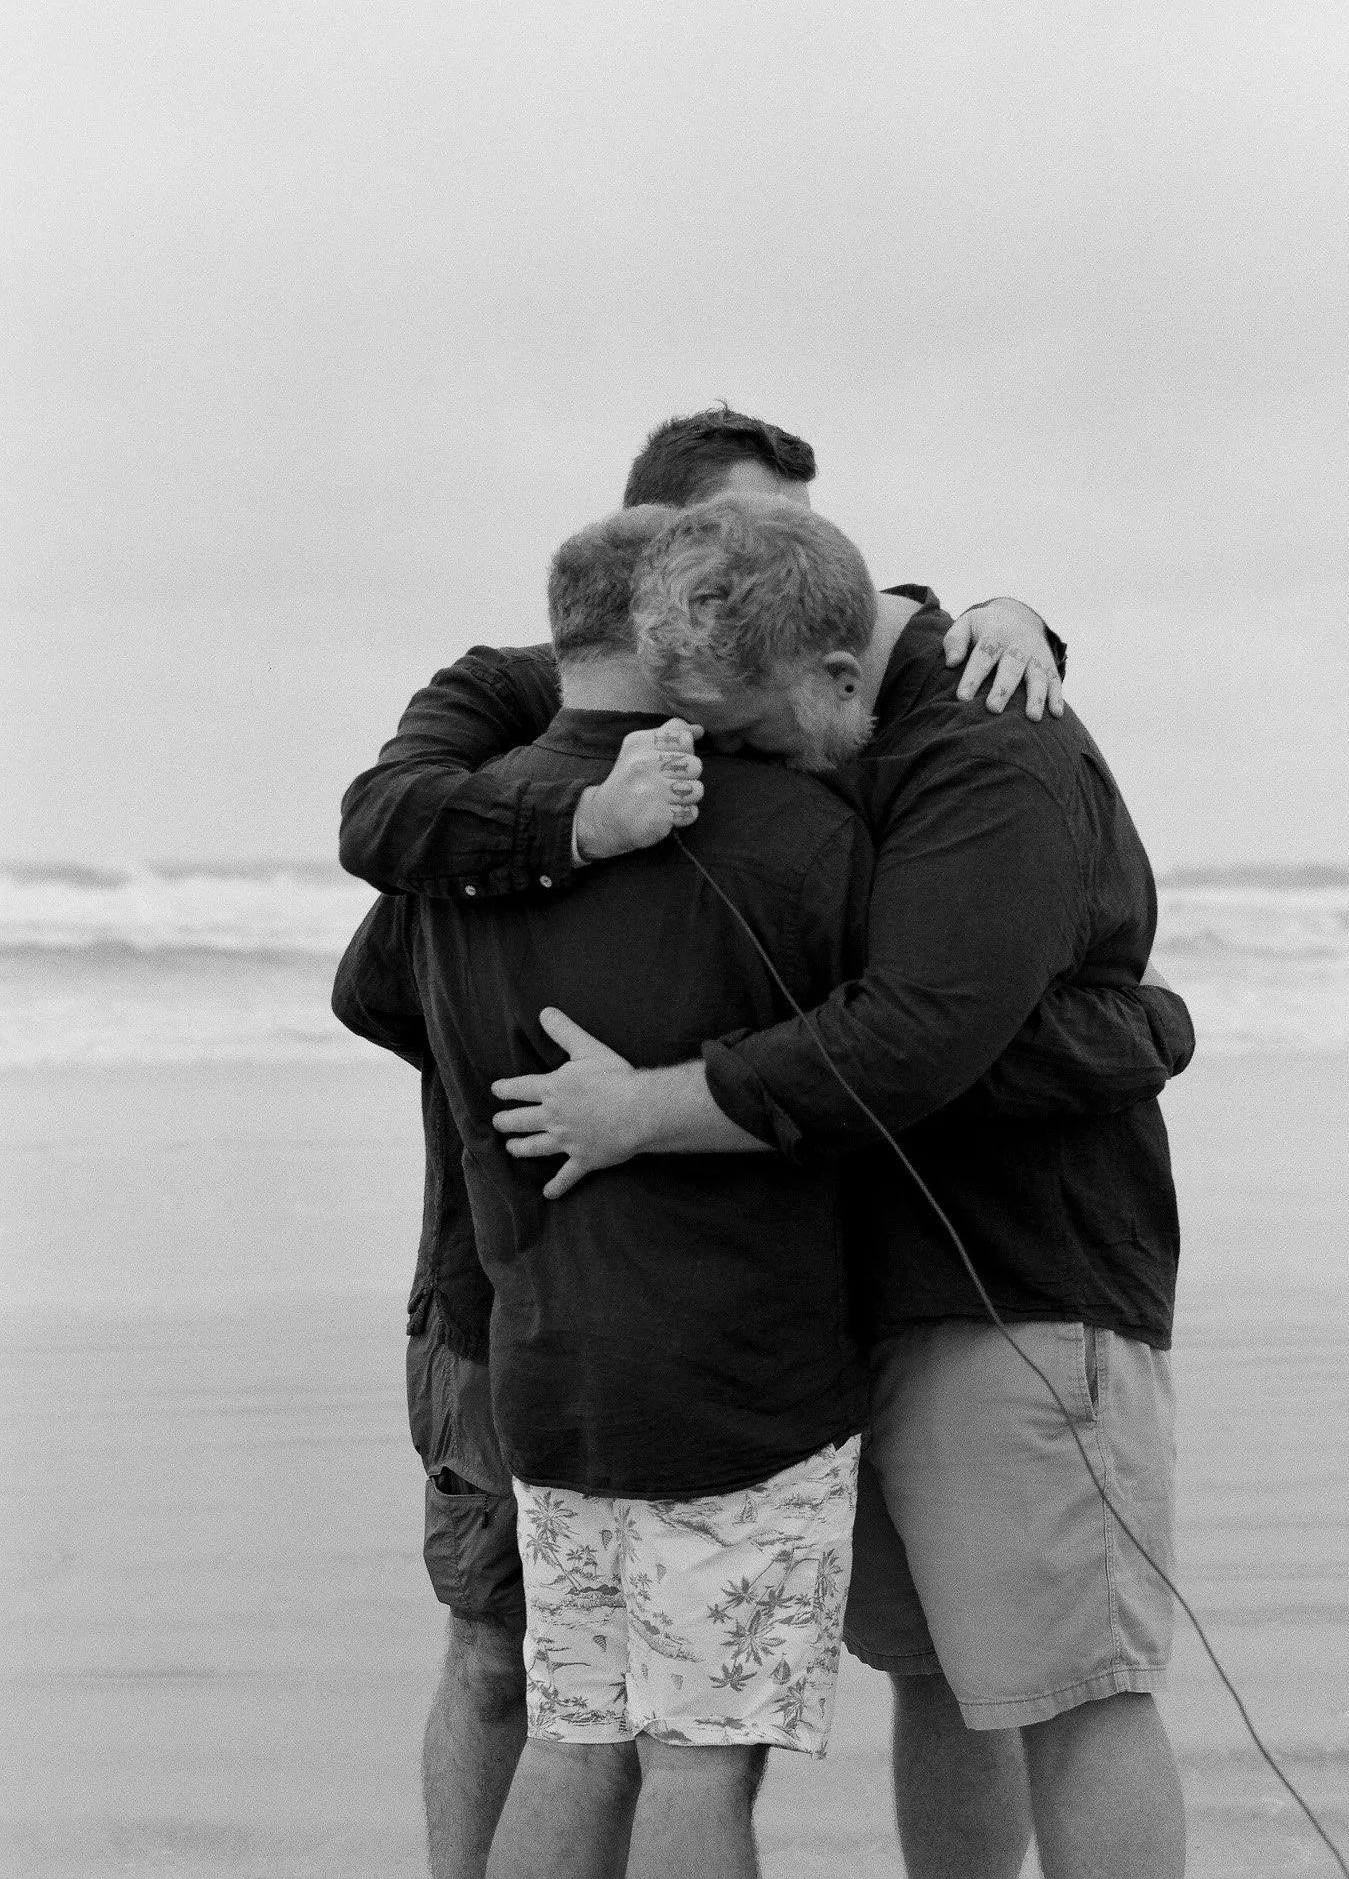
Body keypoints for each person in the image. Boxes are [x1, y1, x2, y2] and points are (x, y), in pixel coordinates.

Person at [338, 406, 1194, 1878]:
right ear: (669, 568)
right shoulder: (695, 776)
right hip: (709, 1346)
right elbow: (902, 1022)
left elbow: (914, 1025)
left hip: (740, 1316)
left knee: (602, 1716)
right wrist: (1145, 1028)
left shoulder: (931, 745)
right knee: (698, 1744)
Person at [334, 505, 878, 1879]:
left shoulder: (462, 840)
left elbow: (378, 992)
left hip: (544, 1357)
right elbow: (886, 1070)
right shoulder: (796, 830)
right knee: (699, 1754)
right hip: (738, 1377)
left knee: (579, 1729)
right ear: (680, 620)